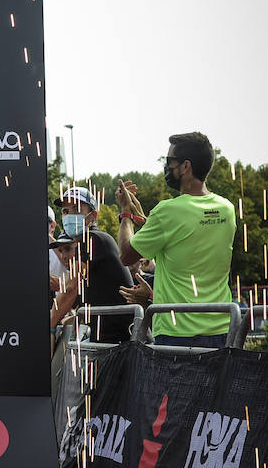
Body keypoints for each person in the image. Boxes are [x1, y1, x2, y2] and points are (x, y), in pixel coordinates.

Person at [116, 132, 236, 347]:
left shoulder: (167, 212)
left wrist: (126, 214)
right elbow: (187, 237)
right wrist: (146, 220)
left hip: (178, 334)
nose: (167, 167)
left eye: (170, 161)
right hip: (223, 330)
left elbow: (126, 256)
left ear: (185, 166)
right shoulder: (226, 209)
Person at [50, 186, 134, 343]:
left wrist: (48, 325)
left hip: (119, 341)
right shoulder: (88, 240)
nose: (69, 215)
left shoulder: (92, 239)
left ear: (93, 215)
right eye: (66, 211)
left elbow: (70, 289)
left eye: (76, 208)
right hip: (108, 339)